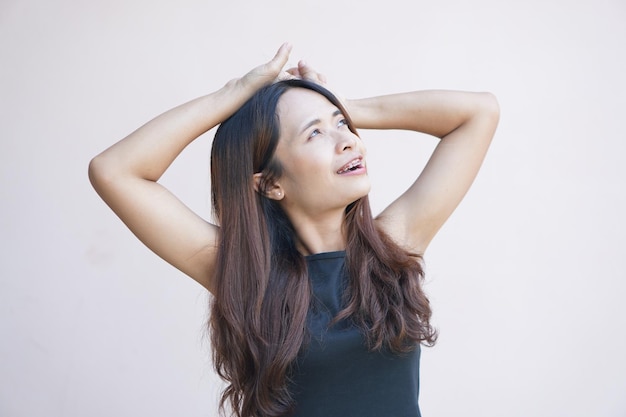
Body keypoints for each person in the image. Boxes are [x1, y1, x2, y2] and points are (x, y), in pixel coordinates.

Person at [88, 43, 500, 417]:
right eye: (315, 133)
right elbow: (115, 171)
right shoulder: (247, 275)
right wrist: (231, 94)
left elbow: (479, 112)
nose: (348, 141)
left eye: (343, 125)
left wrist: (339, 106)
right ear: (269, 183)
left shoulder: (392, 248)